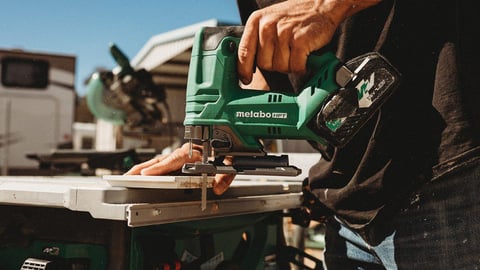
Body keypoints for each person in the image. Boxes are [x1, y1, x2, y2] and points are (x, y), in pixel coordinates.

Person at [126, 0, 479, 268]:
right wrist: (222, 129)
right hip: (344, 202)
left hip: (442, 174)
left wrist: (325, 7)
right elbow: (269, 63)